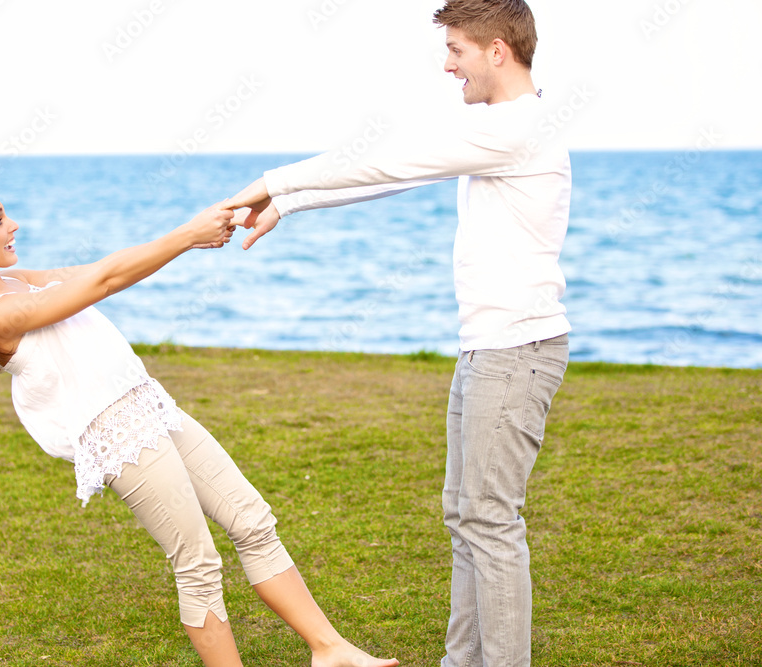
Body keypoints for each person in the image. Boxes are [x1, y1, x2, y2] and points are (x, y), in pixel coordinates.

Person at [0, 168, 399, 667]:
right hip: (116, 433)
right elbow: (104, 281)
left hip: (147, 403)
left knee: (253, 520)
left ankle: (330, 650)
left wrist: (211, 220)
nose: (14, 225)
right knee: (198, 562)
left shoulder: (13, 280)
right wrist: (188, 235)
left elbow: (94, 268)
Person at [225, 1, 570, 665]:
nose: (448, 65)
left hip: (514, 352)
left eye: (458, 51)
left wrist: (271, 184)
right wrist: (288, 201)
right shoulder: (506, 127)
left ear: (498, 50)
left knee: (491, 522)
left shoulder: (519, 129)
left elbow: (391, 162)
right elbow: (389, 170)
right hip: (489, 348)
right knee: (467, 517)